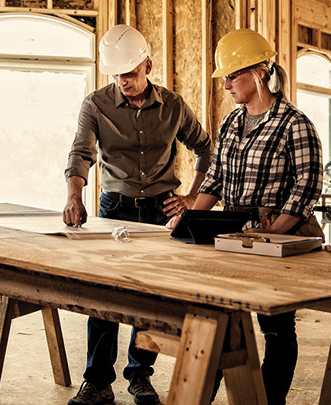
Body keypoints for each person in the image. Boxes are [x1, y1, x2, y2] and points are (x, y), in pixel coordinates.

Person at [63, 24, 214, 405]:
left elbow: (206, 150)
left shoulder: (174, 107)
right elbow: (81, 153)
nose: (123, 82)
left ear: (148, 65)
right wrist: (73, 197)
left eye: (130, 73)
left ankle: (139, 376)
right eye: (116, 75)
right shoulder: (95, 105)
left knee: (150, 298)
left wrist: (192, 198)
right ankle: (97, 381)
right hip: (113, 208)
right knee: (103, 295)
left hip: (161, 211)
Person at [187, 28, 324, 405]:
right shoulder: (231, 123)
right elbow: (214, 180)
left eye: (232, 76)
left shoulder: (295, 124)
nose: (226, 84)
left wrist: (273, 234)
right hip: (232, 239)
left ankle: (269, 401)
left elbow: (307, 186)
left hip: (275, 241)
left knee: (276, 328)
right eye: (225, 77)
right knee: (218, 323)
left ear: (259, 73)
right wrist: (188, 222)